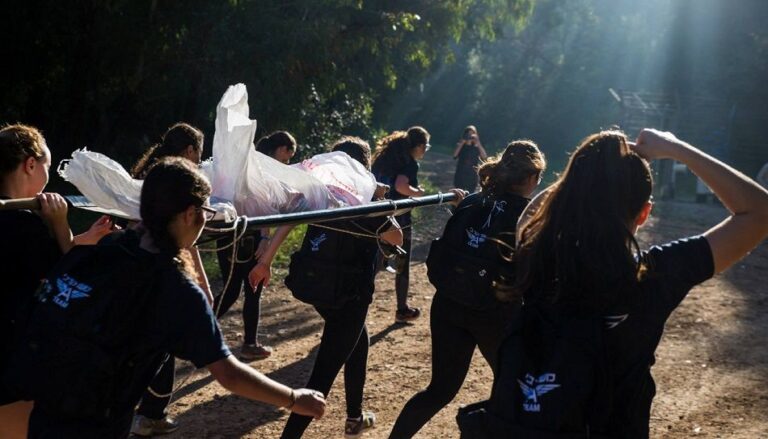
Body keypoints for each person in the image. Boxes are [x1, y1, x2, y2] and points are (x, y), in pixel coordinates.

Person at [2, 158, 326, 439]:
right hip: (94, 425)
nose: (205, 220)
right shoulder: (175, 288)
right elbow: (229, 374)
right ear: (189, 214)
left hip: (42, 411)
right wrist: (294, 398)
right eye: (205, 211)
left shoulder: (111, 247)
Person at [495, 129, 768, 437]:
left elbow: (529, 217)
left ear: (568, 196)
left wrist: (591, 163)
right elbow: (760, 212)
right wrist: (677, 149)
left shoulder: (538, 258)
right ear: (645, 212)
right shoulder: (652, 275)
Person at [389, 140, 546, 438]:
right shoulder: (529, 217)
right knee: (516, 388)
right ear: (531, 177)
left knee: (440, 390)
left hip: (449, 304)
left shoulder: (472, 201)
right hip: (495, 314)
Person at [270, 136, 405, 438]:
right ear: (364, 167)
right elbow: (396, 238)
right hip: (349, 295)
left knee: (358, 340)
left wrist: (265, 261)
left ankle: (354, 416)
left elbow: (289, 218)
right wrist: (381, 200)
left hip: (318, 286)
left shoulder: (321, 194)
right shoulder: (366, 201)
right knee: (320, 380)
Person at [0, 124, 113, 410]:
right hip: (15, 352)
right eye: (46, 166)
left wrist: (85, 238)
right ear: (30, 165)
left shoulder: (16, 219)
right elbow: (65, 275)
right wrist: (59, 224)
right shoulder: (24, 225)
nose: (47, 174)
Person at [129, 122, 211, 436]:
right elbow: (183, 236)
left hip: (134, 266)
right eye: (198, 154)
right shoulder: (176, 184)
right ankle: (149, 415)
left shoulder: (150, 175)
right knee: (161, 342)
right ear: (189, 151)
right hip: (156, 269)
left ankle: (143, 411)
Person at [213, 130, 299, 362]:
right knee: (247, 289)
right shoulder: (262, 166)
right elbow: (262, 206)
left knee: (235, 289)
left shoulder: (251, 162)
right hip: (247, 237)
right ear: (282, 149)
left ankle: (204, 332)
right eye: (288, 156)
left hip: (230, 234)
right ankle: (243, 342)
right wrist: (264, 238)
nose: (287, 162)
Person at [370, 126, 431, 323]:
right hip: (399, 219)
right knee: (402, 262)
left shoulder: (384, 159)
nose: (425, 151)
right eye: (426, 147)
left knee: (375, 260)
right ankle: (402, 309)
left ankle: (354, 298)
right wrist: (419, 192)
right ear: (419, 146)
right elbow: (401, 186)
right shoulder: (409, 163)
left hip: (375, 214)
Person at [452, 125, 488, 193]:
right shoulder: (461, 145)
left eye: (472, 134)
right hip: (460, 175)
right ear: (465, 135)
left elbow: (484, 157)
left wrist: (478, 142)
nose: (470, 136)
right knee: (459, 194)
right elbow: (454, 156)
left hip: (472, 176)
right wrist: (462, 142)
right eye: (468, 134)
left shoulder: (477, 147)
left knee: (470, 194)